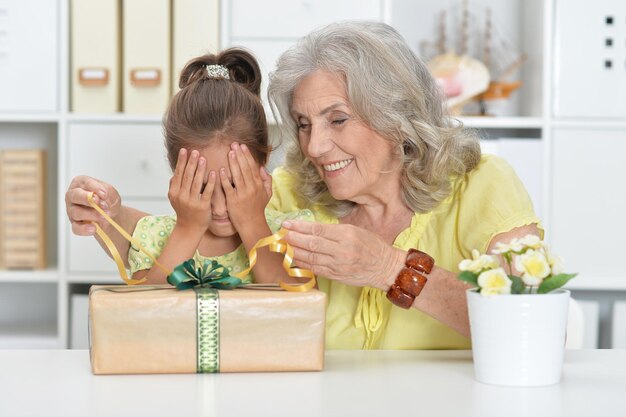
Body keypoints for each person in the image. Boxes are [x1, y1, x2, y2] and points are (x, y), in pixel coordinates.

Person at [66, 21, 541, 349]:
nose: (314, 147)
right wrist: (105, 213)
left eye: (337, 119)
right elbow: (182, 242)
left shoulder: (483, 185)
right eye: (303, 124)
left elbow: (533, 333)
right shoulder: (290, 190)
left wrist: (390, 269)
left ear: (398, 114)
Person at [85, 48, 313, 285]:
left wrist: (252, 223)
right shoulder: (152, 235)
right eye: (202, 187)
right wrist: (187, 229)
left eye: (232, 185)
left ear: (261, 166)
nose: (218, 207)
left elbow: (300, 312)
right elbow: (146, 313)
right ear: (177, 174)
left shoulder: (292, 232)